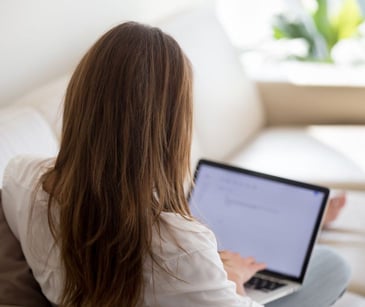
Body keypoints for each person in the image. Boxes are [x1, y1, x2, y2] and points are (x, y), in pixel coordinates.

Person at [1, 22, 350, 307]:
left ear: (81, 100)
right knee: (330, 264)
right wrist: (234, 280)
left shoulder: (20, 178)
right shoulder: (181, 246)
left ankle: (304, 225)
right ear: (171, 125)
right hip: (202, 279)